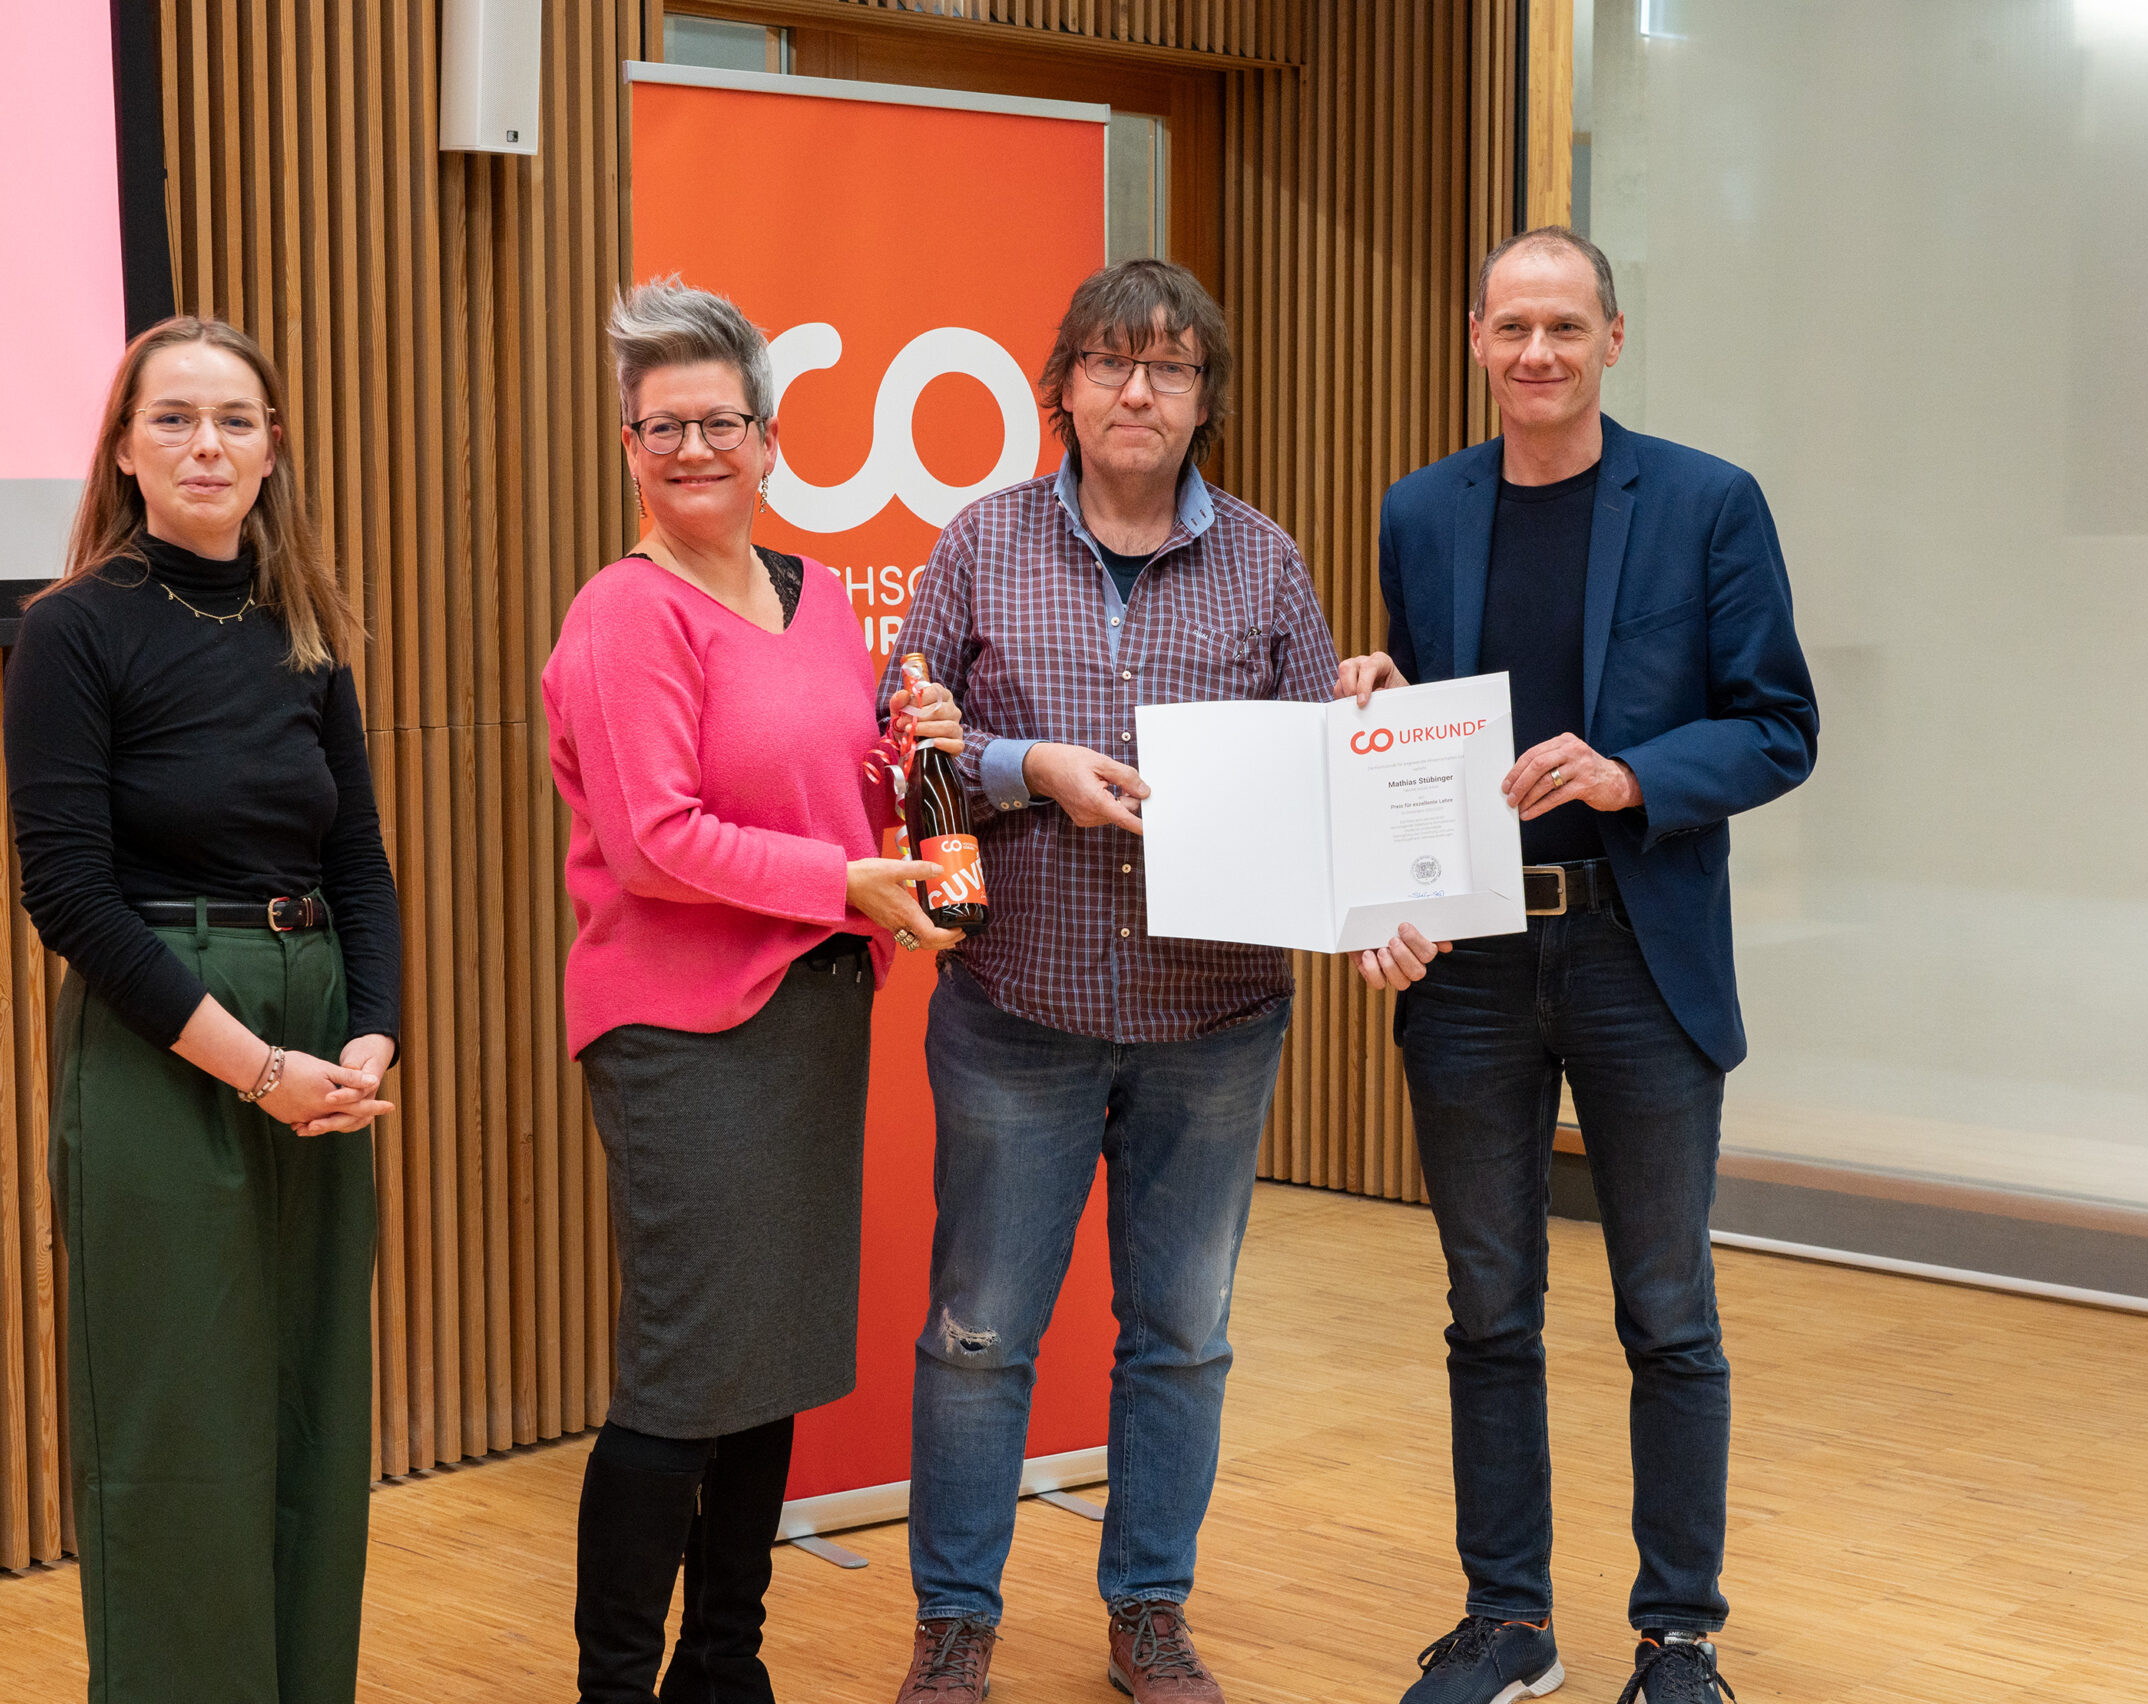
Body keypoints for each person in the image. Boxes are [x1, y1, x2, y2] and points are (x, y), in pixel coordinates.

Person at [1338, 226, 1818, 1704]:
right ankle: (1509, 1624)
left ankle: (1679, 1637)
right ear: (1477, 343)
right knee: (1488, 1306)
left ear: (1615, 336)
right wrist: (1378, 703)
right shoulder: (1420, 512)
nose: (1534, 353)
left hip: (1637, 945)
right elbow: (1431, 734)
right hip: (1473, 961)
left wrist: (1626, 778)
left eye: (1563, 326)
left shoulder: (1706, 504)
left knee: (1667, 1312)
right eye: (1509, 329)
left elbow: (1777, 727)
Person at [881, 259, 1340, 1704]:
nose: (1139, 391)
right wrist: (1025, 770)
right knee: (978, 1335)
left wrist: (1370, 730)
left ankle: (1150, 1610)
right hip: (1018, 1013)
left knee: (1183, 1339)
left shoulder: (1267, 561)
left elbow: (1326, 773)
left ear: (1207, 397)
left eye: (1172, 368)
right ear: (1061, 385)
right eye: (1110, 363)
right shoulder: (979, 543)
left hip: (1215, 1023)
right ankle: (956, 1622)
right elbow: (903, 748)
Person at [540, 275, 966, 1704]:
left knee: (767, 1361)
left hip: (809, 1021)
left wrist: (908, 755)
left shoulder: (817, 593)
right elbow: (656, 840)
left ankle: (726, 1666)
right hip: (679, 1035)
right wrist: (843, 885)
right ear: (629, 449)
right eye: (662, 427)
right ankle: (619, 1683)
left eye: (719, 419)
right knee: (682, 1375)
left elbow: (824, 788)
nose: (694, 447)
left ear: (772, 438)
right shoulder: (623, 613)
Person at [5, 315, 403, 1703]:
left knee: (308, 1418)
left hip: (316, 1032)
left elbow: (356, 857)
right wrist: (254, 1069)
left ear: (274, 447)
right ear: (124, 448)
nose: (207, 444)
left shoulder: (306, 625)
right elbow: (67, 895)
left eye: (235, 418)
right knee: (181, 1433)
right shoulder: (74, 629)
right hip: (171, 1041)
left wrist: (371, 1035)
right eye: (172, 418)